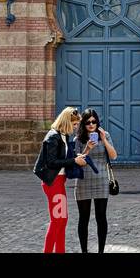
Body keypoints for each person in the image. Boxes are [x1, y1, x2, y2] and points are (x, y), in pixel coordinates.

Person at [32, 106, 89, 253]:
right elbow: (51, 162)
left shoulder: (63, 135)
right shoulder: (53, 137)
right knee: (57, 221)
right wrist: (74, 161)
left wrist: (76, 157)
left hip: (59, 182)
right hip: (53, 183)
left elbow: (63, 158)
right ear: (67, 122)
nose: (76, 127)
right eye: (75, 124)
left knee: (62, 220)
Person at [73, 108, 116, 253]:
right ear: (83, 124)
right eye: (88, 122)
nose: (91, 125)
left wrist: (103, 139)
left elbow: (114, 155)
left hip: (101, 180)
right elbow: (78, 161)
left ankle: (101, 251)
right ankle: (84, 250)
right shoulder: (78, 139)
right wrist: (87, 149)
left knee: (101, 217)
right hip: (83, 181)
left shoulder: (105, 135)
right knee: (83, 218)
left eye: (94, 121)